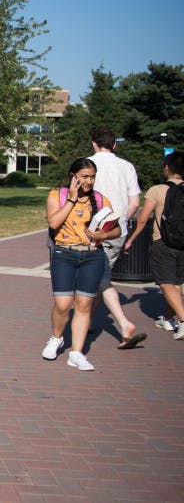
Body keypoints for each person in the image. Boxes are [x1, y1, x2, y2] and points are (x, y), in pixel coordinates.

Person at [42, 158, 121, 371]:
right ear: (73, 176)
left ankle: (76, 353)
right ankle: (56, 338)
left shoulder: (100, 199)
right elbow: (54, 223)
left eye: (92, 176)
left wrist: (103, 234)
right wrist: (72, 200)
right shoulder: (56, 196)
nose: (89, 181)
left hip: (92, 256)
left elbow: (117, 229)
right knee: (63, 304)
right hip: (64, 254)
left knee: (84, 305)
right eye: (85, 176)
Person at [87, 128, 147, 349]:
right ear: (115, 145)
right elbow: (134, 203)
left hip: (93, 230)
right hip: (117, 230)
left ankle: (123, 324)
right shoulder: (127, 166)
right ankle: (88, 321)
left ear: (94, 144)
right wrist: (121, 222)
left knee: (98, 278)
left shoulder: (86, 164)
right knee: (98, 276)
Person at [124, 151, 184, 340]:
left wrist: (131, 239)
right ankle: (167, 318)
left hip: (162, 242)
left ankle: (182, 321)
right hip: (182, 244)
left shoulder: (157, 190)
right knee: (177, 283)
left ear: (166, 168)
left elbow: (142, 219)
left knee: (166, 284)